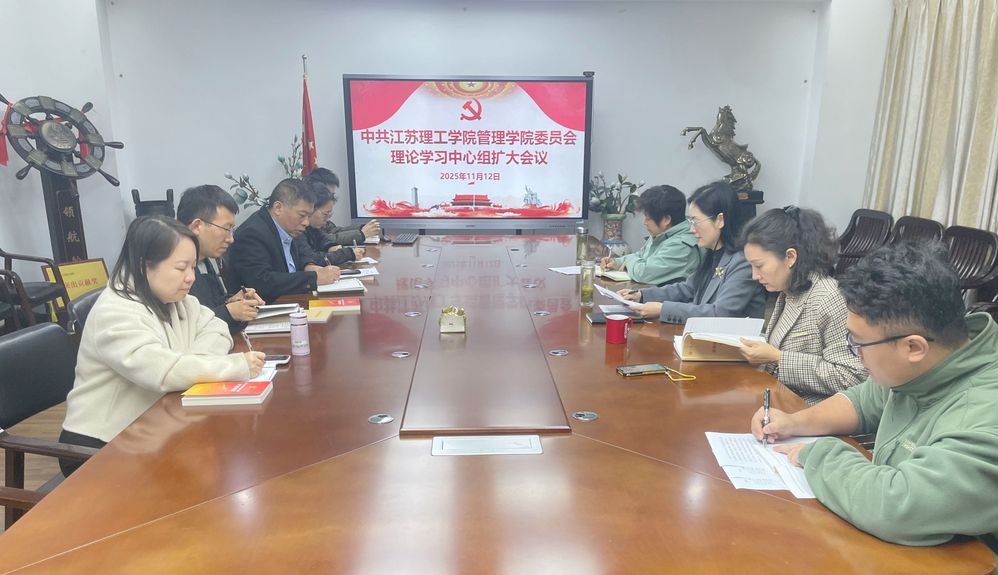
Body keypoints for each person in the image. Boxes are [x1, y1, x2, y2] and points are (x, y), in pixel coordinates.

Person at [751, 242, 998, 550]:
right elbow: (865, 399)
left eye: (858, 344)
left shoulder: (984, 416)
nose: (857, 356)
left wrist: (819, 454)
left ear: (913, 347)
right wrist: (793, 422)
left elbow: (895, 506)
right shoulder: (934, 358)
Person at [59, 216, 265, 476]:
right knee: (209, 472)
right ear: (144, 266)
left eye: (193, 267)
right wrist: (230, 366)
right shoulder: (115, 312)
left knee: (223, 460)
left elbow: (217, 327)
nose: (190, 278)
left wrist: (192, 364)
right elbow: (163, 372)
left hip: (155, 425)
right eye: (181, 268)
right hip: (101, 444)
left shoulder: (173, 297)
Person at [739, 206, 867, 404]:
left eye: (759, 265)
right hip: (781, 400)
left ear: (790, 257)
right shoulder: (790, 290)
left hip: (810, 411)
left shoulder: (829, 298)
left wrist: (778, 358)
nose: (754, 275)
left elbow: (852, 376)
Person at [619, 181, 765, 323]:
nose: (692, 229)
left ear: (719, 220)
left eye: (696, 221)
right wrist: (641, 295)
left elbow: (720, 313)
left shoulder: (743, 262)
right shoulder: (713, 253)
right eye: (691, 222)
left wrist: (662, 309)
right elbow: (687, 288)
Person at [227, 178, 342, 302]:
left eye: (309, 216)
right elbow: (263, 283)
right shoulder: (252, 234)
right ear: (278, 208)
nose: (306, 222)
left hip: (293, 301)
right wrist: (314, 278)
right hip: (268, 307)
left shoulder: (288, 228)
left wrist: (309, 265)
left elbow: (304, 255)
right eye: (302, 215)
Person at [176, 184, 265, 333]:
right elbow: (183, 324)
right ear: (197, 226)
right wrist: (228, 312)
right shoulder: (173, 265)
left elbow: (208, 306)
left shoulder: (204, 259)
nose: (231, 239)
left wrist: (233, 301)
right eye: (226, 229)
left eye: (232, 230)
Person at [600, 185, 701, 286]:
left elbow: (644, 273)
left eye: (648, 218)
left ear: (666, 219)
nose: (645, 223)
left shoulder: (681, 245)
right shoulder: (662, 233)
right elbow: (640, 255)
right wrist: (616, 262)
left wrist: (628, 262)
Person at [303, 168, 380, 246]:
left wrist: (361, 228)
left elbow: (334, 230)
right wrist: (361, 234)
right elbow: (328, 239)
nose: (332, 199)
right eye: (330, 195)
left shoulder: (320, 216)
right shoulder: (305, 223)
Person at [298, 180, 364, 266]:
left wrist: (330, 247)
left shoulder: (313, 227)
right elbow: (312, 258)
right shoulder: (297, 229)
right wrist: (347, 254)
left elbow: (323, 239)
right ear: (311, 209)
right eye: (325, 214)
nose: (327, 220)